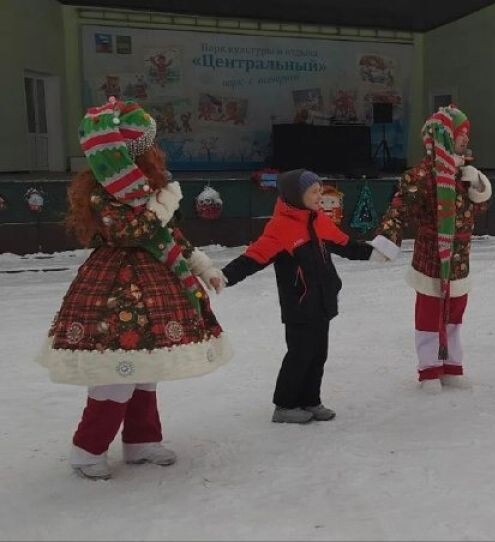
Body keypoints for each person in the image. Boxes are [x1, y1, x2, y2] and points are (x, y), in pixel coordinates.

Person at [39, 98, 231, 480]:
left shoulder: (149, 191)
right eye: (147, 147)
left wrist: (202, 266)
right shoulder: (103, 193)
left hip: (155, 285)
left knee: (146, 370)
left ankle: (142, 441)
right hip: (114, 293)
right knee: (114, 372)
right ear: (128, 155)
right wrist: (162, 204)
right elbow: (128, 233)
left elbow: (169, 235)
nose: (155, 154)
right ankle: (87, 449)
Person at [221, 169, 374, 423]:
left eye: (320, 190)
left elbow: (345, 246)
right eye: (313, 192)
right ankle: (284, 405)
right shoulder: (280, 228)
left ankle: (310, 400)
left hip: (323, 301)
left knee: (318, 354)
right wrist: (224, 276)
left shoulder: (318, 220)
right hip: (300, 305)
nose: (319, 196)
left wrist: (374, 253)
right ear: (295, 195)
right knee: (300, 354)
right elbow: (252, 258)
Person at [368, 106, 492, 391]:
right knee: (429, 315)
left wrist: (477, 184)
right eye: (461, 134)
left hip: (460, 259)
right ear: (445, 136)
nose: (466, 139)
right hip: (430, 257)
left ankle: (451, 366)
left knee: (455, 315)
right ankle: (429, 370)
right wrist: (388, 239)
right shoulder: (422, 175)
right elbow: (400, 209)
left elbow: (481, 208)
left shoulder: (465, 171)